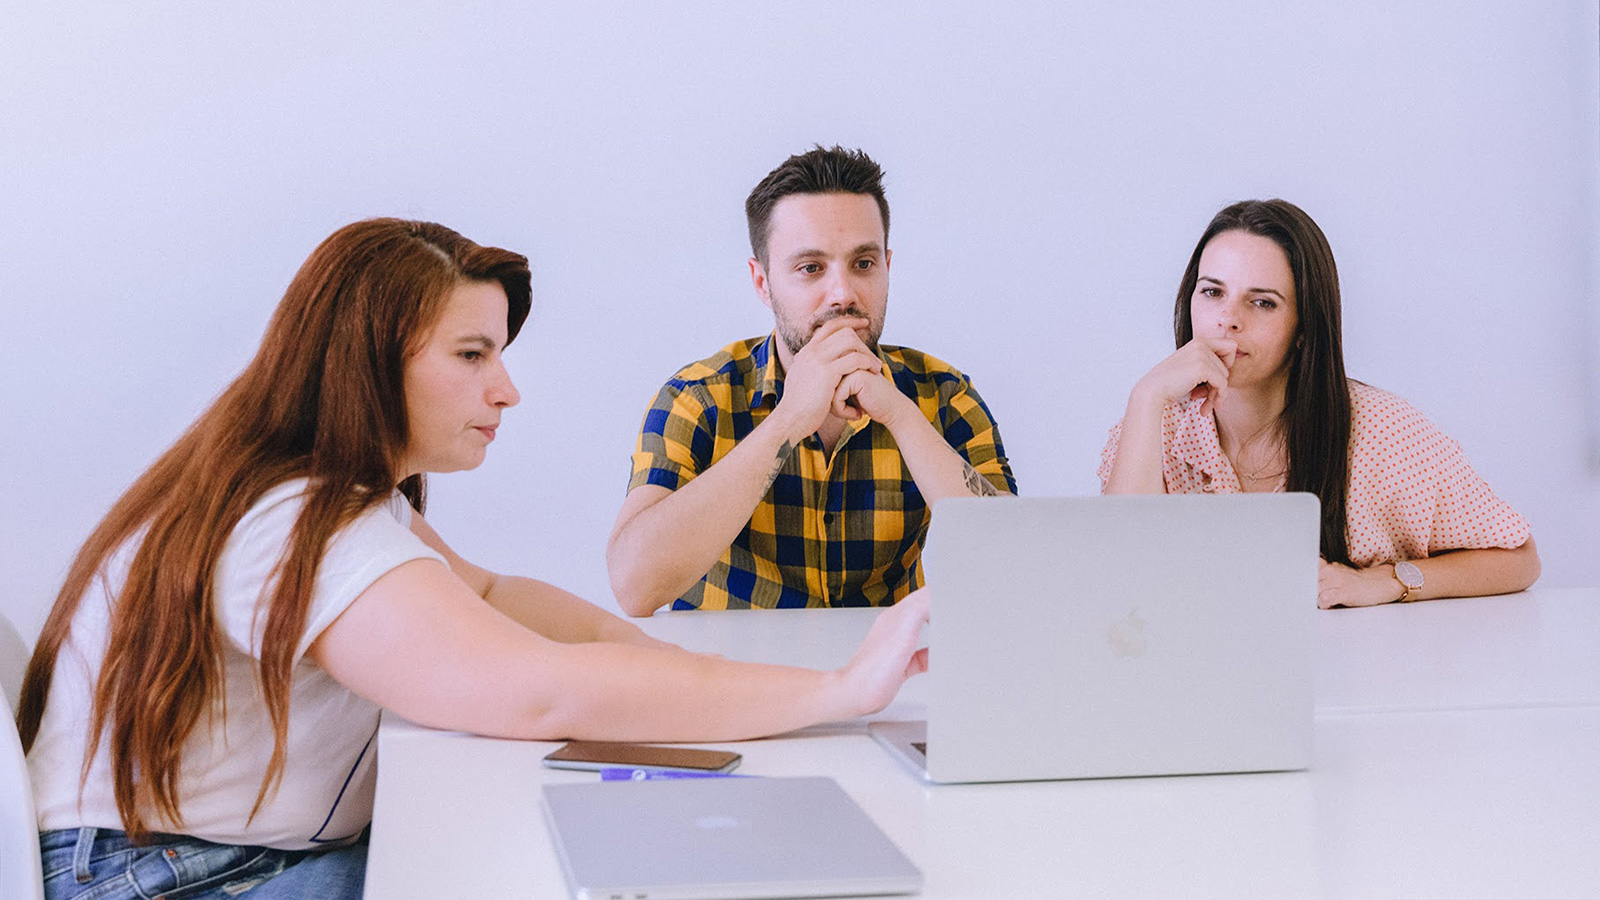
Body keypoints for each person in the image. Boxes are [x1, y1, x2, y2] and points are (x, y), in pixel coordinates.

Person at [17, 219, 930, 900]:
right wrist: (838, 692)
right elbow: (541, 691)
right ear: (370, 363)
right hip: (162, 878)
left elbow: (493, 594)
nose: (508, 388)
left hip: (179, 856)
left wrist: (694, 672)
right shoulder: (298, 521)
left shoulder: (324, 492)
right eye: (471, 354)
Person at [607, 146, 1015, 614]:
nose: (842, 294)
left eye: (863, 264)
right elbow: (633, 586)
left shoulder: (944, 396)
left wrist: (900, 416)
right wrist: (788, 421)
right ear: (762, 282)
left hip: (890, 683)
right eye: (811, 268)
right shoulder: (698, 399)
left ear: (887, 266)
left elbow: (1011, 575)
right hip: (734, 681)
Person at [1099, 199, 1539, 608]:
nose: (1228, 319)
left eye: (1262, 302)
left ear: (1304, 327)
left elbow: (1518, 558)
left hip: (1351, 677)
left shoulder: (1382, 431)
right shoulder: (1155, 425)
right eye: (1212, 292)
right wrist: (1146, 396)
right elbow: (1119, 580)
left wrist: (1386, 581)